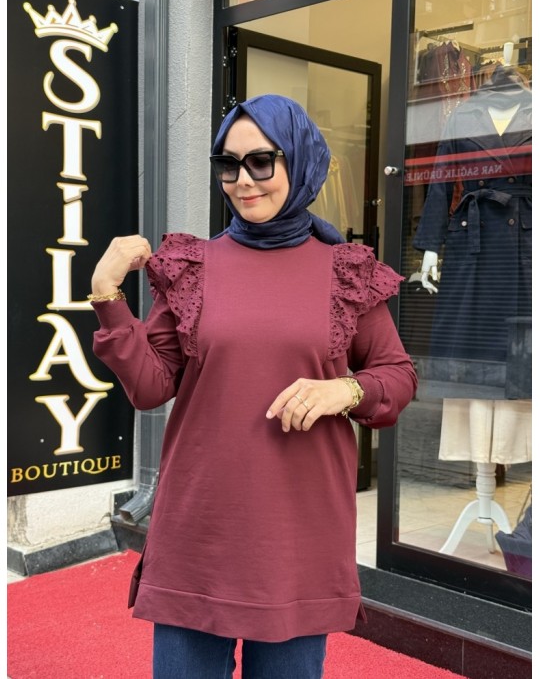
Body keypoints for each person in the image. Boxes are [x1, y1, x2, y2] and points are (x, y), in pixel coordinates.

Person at [89, 94, 417, 679]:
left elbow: (397, 374)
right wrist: (107, 297)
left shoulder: (345, 272)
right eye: (228, 164)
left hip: (297, 538)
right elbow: (151, 386)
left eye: (261, 161)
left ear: (299, 160)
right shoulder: (193, 267)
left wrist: (344, 391)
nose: (243, 180)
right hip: (198, 531)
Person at [414, 64, 532, 362]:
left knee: (522, 334)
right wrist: (431, 247)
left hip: (525, 232)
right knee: (467, 330)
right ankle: (465, 390)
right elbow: (441, 180)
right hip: (472, 232)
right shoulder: (464, 115)